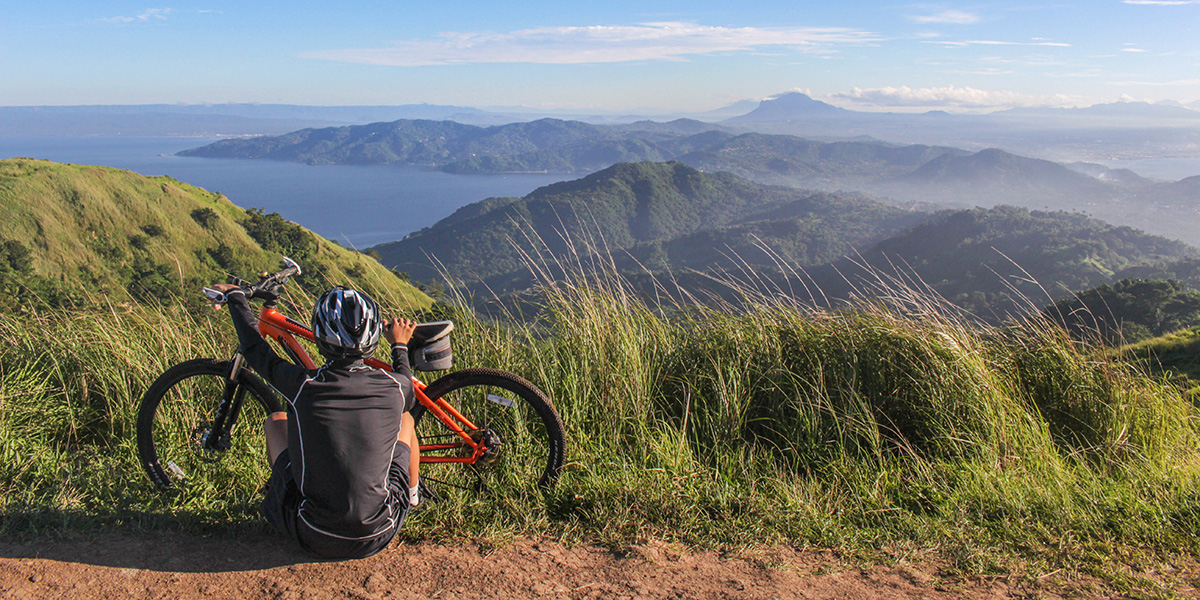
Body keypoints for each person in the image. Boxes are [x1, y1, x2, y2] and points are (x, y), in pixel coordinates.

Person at [212, 282, 422, 559]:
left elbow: (253, 347)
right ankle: (413, 497)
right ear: (373, 339)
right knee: (405, 420)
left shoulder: (301, 385)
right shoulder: (396, 387)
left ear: (320, 337)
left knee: (276, 421)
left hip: (313, 533)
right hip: (379, 532)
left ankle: (281, 496)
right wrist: (399, 345)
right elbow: (406, 380)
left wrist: (236, 297)